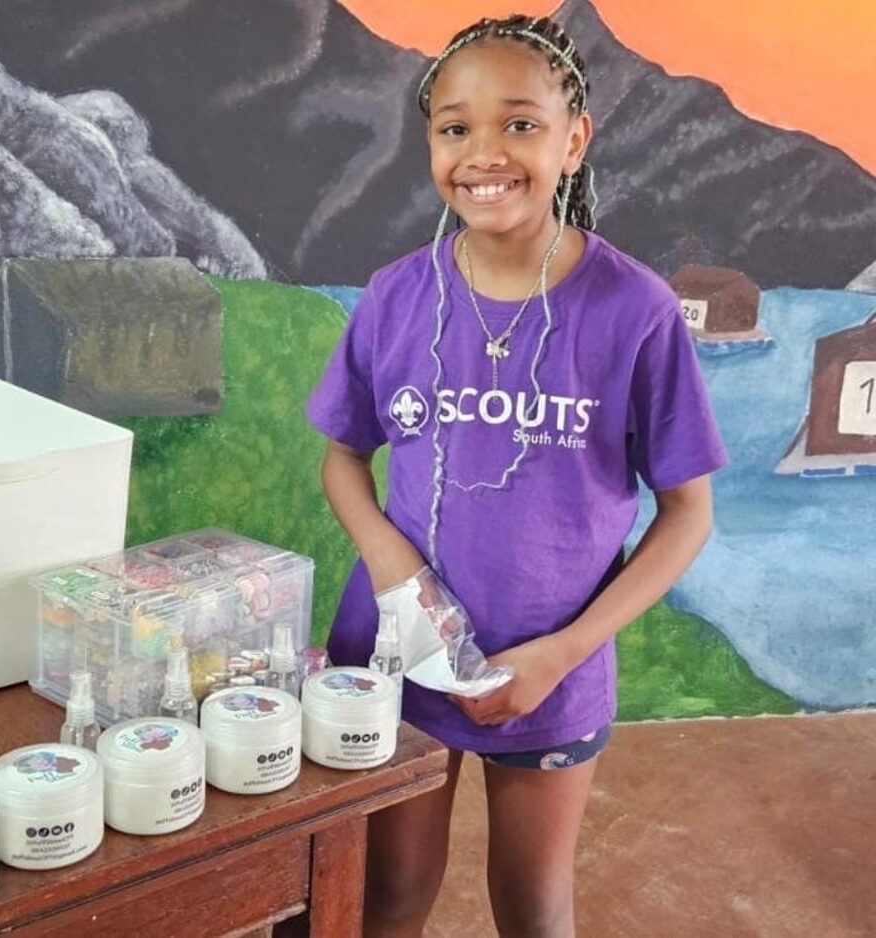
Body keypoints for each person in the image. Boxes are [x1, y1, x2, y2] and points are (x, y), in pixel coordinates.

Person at [305, 13, 727, 938]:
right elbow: (343, 455)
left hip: (549, 673)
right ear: (429, 144)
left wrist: (563, 653)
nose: (484, 153)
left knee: (534, 907)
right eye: (455, 127)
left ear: (574, 141)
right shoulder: (395, 296)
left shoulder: (636, 311)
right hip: (398, 654)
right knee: (387, 895)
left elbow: (687, 513)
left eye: (521, 123)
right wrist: (388, 560)